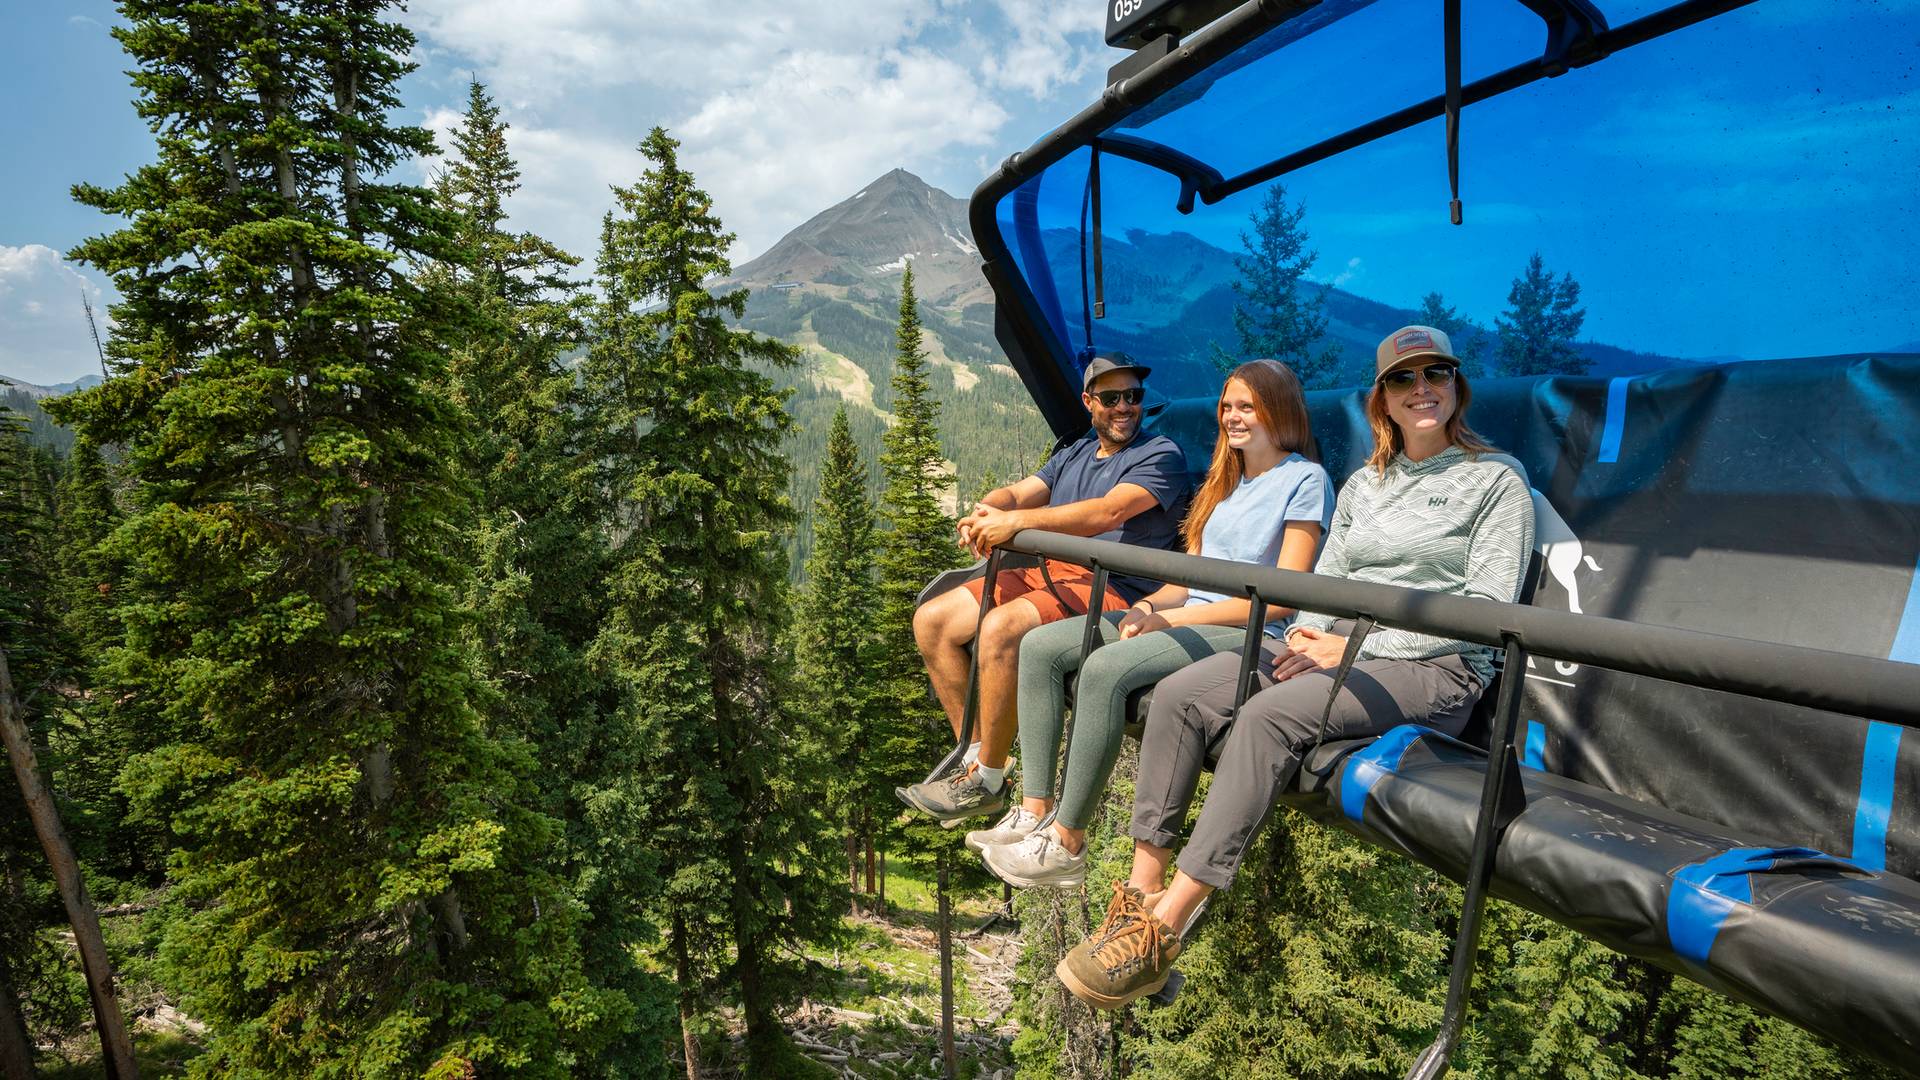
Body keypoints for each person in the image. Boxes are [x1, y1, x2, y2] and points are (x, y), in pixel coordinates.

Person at [1055, 325, 1535, 1009]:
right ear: (1383, 399)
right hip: (1334, 647)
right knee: (1183, 695)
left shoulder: (1496, 482)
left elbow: (1485, 612)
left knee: (1268, 716)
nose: (1421, 389)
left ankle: (1165, 931)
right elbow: (1322, 582)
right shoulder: (1366, 484)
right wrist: (1310, 634)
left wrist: (1354, 649)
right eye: (1403, 379)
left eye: (1437, 374)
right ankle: (1140, 893)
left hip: (1435, 663)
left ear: (1457, 387)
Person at [972, 360, 1333, 889]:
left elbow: (1281, 599)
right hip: (1187, 613)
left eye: (1248, 407)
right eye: (1227, 407)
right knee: (1042, 647)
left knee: (1104, 670)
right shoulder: (1223, 483)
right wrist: (1148, 607)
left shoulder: (1304, 480)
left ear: (1278, 410)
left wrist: (1171, 618)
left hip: (1249, 629)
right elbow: (1186, 578)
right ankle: (1034, 810)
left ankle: (1067, 843)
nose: (1233, 417)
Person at [901, 352, 1189, 825]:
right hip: (1053, 573)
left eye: (1133, 396)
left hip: (1112, 587)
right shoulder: (1075, 453)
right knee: (932, 621)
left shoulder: (1160, 456)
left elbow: (1108, 512)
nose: (1124, 407)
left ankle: (986, 779)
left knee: (1001, 628)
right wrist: (986, 510)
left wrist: (1016, 523)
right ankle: (977, 758)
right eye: (1111, 398)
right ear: (1089, 403)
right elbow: (1018, 493)